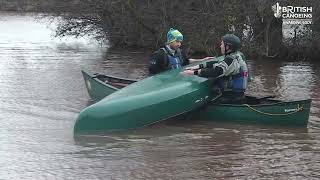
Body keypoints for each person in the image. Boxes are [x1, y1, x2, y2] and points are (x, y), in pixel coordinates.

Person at [182, 34, 248, 104]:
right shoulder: (236, 55)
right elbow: (217, 63)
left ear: (228, 47)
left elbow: (216, 72)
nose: (220, 46)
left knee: (207, 103)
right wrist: (198, 66)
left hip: (232, 98)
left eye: (222, 44)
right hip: (235, 95)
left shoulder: (230, 60)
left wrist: (193, 73)